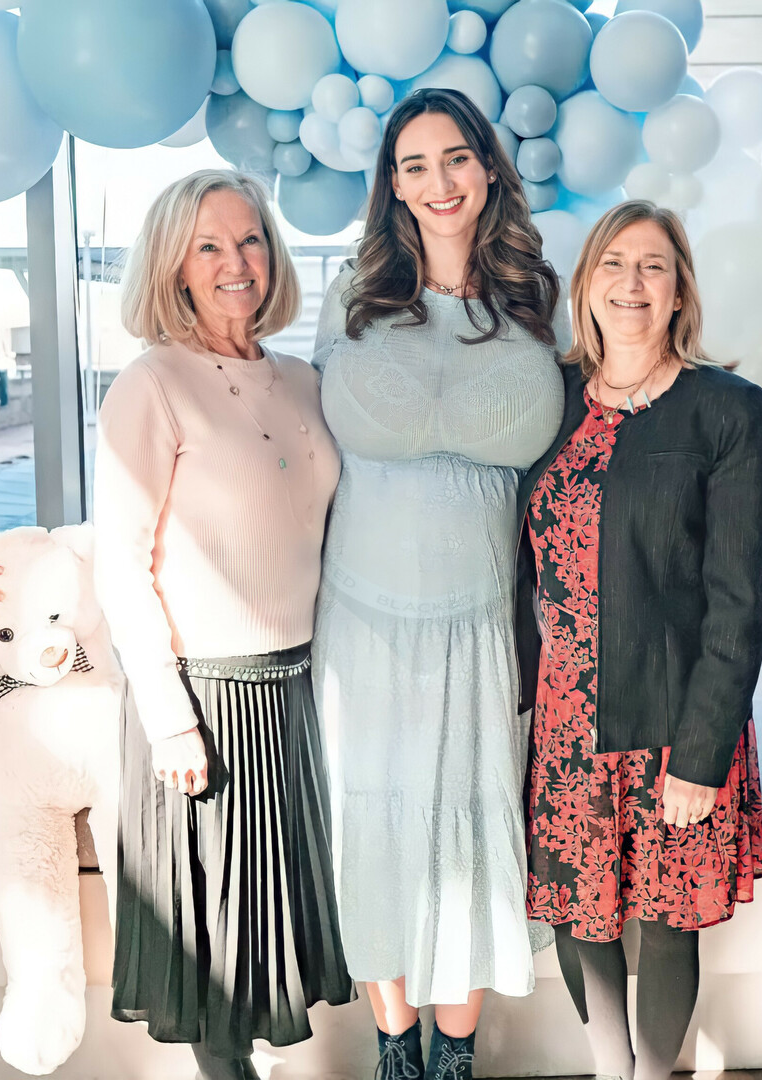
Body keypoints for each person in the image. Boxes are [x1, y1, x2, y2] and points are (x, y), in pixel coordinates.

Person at [310, 87, 565, 1080]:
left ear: (488, 167)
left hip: (481, 623)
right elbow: (296, 442)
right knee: (372, 823)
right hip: (360, 623)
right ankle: (394, 1050)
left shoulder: (535, 298)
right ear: (393, 185)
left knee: (466, 837)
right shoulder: (353, 296)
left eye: (455, 157)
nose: (438, 181)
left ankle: (453, 1060)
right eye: (413, 165)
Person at [91, 168, 351, 1080]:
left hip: (293, 696)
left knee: (268, 942)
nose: (235, 261)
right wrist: (169, 720)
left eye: (249, 240)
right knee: (215, 956)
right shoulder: (151, 384)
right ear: (174, 265)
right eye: (208, 246)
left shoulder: (303, 380)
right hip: (201, 703)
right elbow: (120, 565)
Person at [516, 201, 762, 1080]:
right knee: (576, 914)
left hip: (676, 716)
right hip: (567, 720)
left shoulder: (727, 410)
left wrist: (702, 755)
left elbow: (739, 601)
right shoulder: (547, 400)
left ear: (679, 292)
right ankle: (610, 1069)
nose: (631, 283)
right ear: (586, 283)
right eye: (614, 263)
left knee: (667, 922)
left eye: (653, 266)